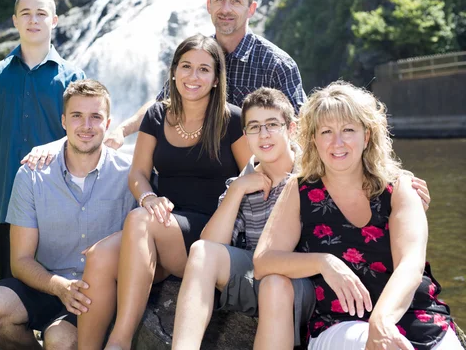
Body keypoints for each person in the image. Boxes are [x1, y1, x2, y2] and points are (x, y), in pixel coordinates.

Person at [75, 34, 252, 350]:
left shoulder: (232, 120)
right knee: (100, 256)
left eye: (203, 69)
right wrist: (149, 197)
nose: (192, 77)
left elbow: (252, 176)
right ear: (173, 71)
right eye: (186, 66)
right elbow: (139, 174)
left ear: (215, 79)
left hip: (209, 235)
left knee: (140, 220)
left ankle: (120, 342)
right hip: (162, 221)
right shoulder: (156, 115)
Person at [253, 82, 460, 350]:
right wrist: (324, 262)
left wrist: (382, 320)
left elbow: (411, 264)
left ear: (367, 135)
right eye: (326, 131)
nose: (337, 142)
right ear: (313, 139)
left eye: (348, 130)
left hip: (415, 315)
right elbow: (263, 261)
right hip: (340, 322)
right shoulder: (299, 190)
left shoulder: (400, 188)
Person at [0, 80, 136, 350]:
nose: (86, 126)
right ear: (63, 121)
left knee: (60, 341)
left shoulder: (129, 174)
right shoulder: (32, 174)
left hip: (98, 293)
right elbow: (21, 261)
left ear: (108, 124)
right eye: (77, 116)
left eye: (95, 117)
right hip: (46, 282)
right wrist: (59, 287)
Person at [171, 87, 315, 349]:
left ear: (291, 128)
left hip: (303, 282)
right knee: (202, 250)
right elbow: (211, 244)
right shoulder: (241, 183)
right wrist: (237, 190)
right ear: (245, 135)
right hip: (257, 276)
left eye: (272, 125)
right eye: (254, 127)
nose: (264, 135)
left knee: (275, 282)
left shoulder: (314, 171)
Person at [101, 0, 306, 150]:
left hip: (259, 176)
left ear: (251, 9)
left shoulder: (276, 64)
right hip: (202, 169)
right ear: (209, 5)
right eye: (219, 0)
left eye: (235, 1)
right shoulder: (196, 56)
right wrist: (122, 130)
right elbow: (162, 104)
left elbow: (300, 125)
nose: (225, 9)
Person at [0, 0, 85, 280]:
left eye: (41, 14)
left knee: (57, 291)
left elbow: (86, 135)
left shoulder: (73, 77)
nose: (33, 20)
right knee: (9, 290)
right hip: (8, 202)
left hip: (59, 203)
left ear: (54, 20)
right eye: (26, 14)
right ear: (15, 21)